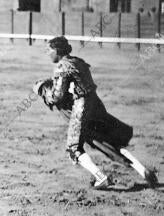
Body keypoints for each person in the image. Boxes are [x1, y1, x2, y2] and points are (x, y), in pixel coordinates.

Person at [34, 36, 158, 189]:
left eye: (49, 50)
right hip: (96, 104)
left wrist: (43, 91)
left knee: (74, 148)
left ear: (58, 51)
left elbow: (57, 96)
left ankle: (100, 178)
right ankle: (142, 170)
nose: (47, 53)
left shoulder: (61, 66)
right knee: (108, 141)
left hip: (81, 108)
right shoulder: (78, 61)